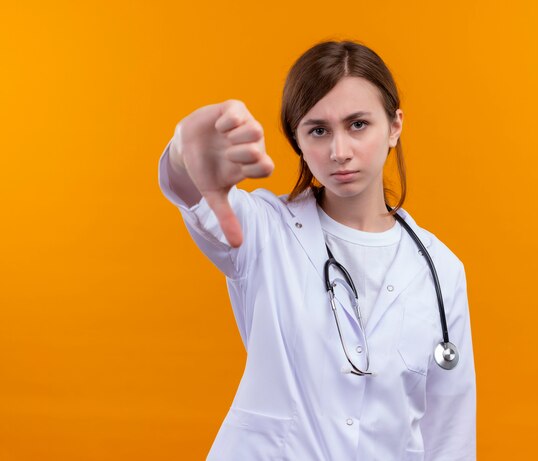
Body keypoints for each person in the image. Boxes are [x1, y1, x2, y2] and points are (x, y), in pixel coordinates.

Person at [158, 39, 476, 461]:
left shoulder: (441, 270)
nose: (339, 151)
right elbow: (190, 191)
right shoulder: (263, 231)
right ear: (298, 140)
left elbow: (449, 437)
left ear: (395, 126)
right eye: (318, 130)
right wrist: (183, 153)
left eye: (358, 124)